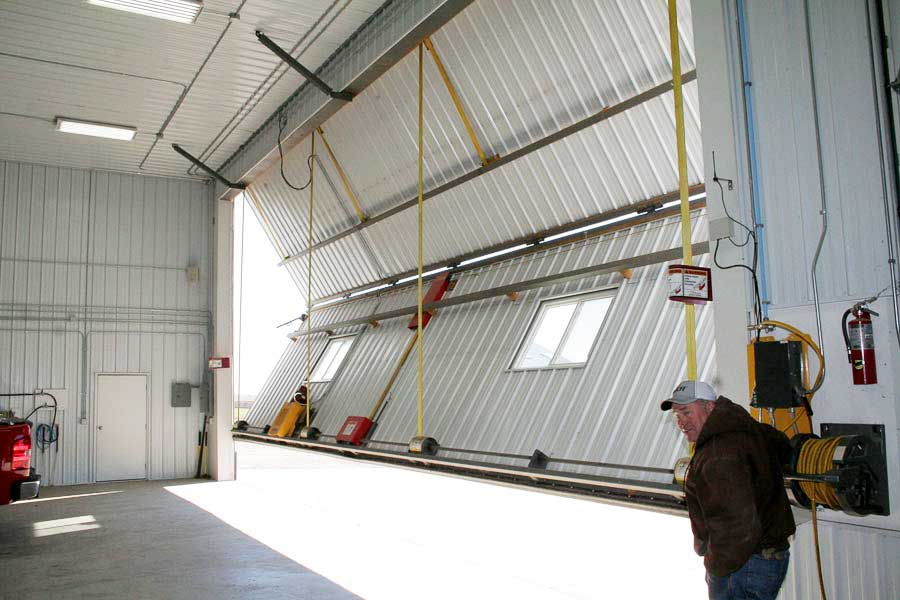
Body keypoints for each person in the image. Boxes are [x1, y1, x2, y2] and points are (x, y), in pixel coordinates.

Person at [661, 380, 796, 600]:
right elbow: (782, 445)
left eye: (686, 412)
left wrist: (716, 566)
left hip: (743, 566)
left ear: (710, 407)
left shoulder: (718, 454)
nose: (682, 422)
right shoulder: (745, 427)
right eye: (677, 415)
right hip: (769, 557)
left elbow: (738, 526)